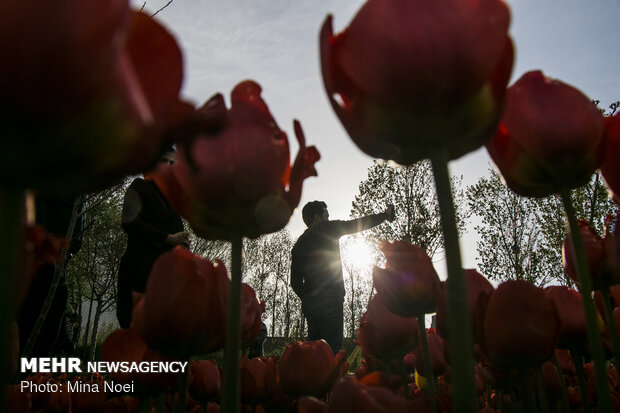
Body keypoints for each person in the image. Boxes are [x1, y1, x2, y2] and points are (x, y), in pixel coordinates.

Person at [290, 201, 394, 353]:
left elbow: (295, 282)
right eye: (326, 214)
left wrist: (308, 298)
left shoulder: (298, 245)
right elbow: (358, 224)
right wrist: (385, 215)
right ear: (317, 217)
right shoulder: (328, 228)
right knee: (333, 352)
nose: (329, 217)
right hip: (331, 298)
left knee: (315, 355)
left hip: (311, 305)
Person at [116, 147, 190, 328]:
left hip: (166, 282)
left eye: (173, 163)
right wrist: (167, 238)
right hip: (139, 275)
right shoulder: (140, 187)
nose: (168, 166)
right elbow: (129, 222)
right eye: (163, 160)